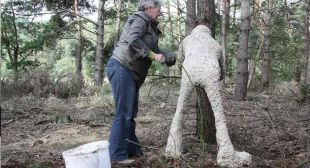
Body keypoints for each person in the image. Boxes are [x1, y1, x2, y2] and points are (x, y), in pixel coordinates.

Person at [106, 0, 176, 165]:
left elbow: (156, 51)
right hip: (123, 67)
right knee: (123, 114)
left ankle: (133, 151)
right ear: (150, 8)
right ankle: (116, 155)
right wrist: (152, 56)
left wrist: (175, 55)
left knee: (130, 114)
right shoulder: (140, 18)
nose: (161, 12)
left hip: (131, 73)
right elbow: (133, 39)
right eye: (159, 9)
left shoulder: (150, 26)